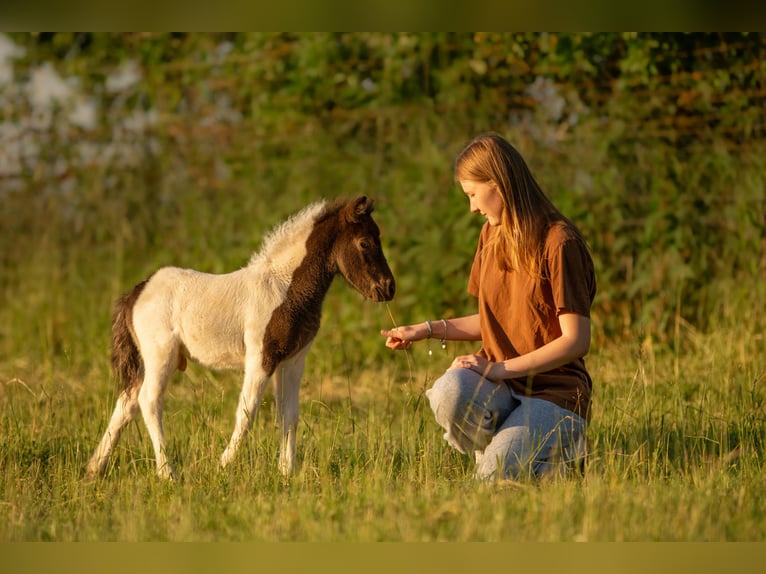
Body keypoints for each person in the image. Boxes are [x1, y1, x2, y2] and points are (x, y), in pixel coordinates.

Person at [381, 133, 596, 481]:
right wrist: (427, 329)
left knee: (493, 480)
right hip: (502, 387)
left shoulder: (560, 243)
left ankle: (558, 460)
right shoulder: (490, 235)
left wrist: (500, 369)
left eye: (473, 195)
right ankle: (516, 448)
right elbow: (495, 320)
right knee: (449, 391)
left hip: (554, 395)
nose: (472, 208)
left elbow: (576, 340)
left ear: (498, 184)